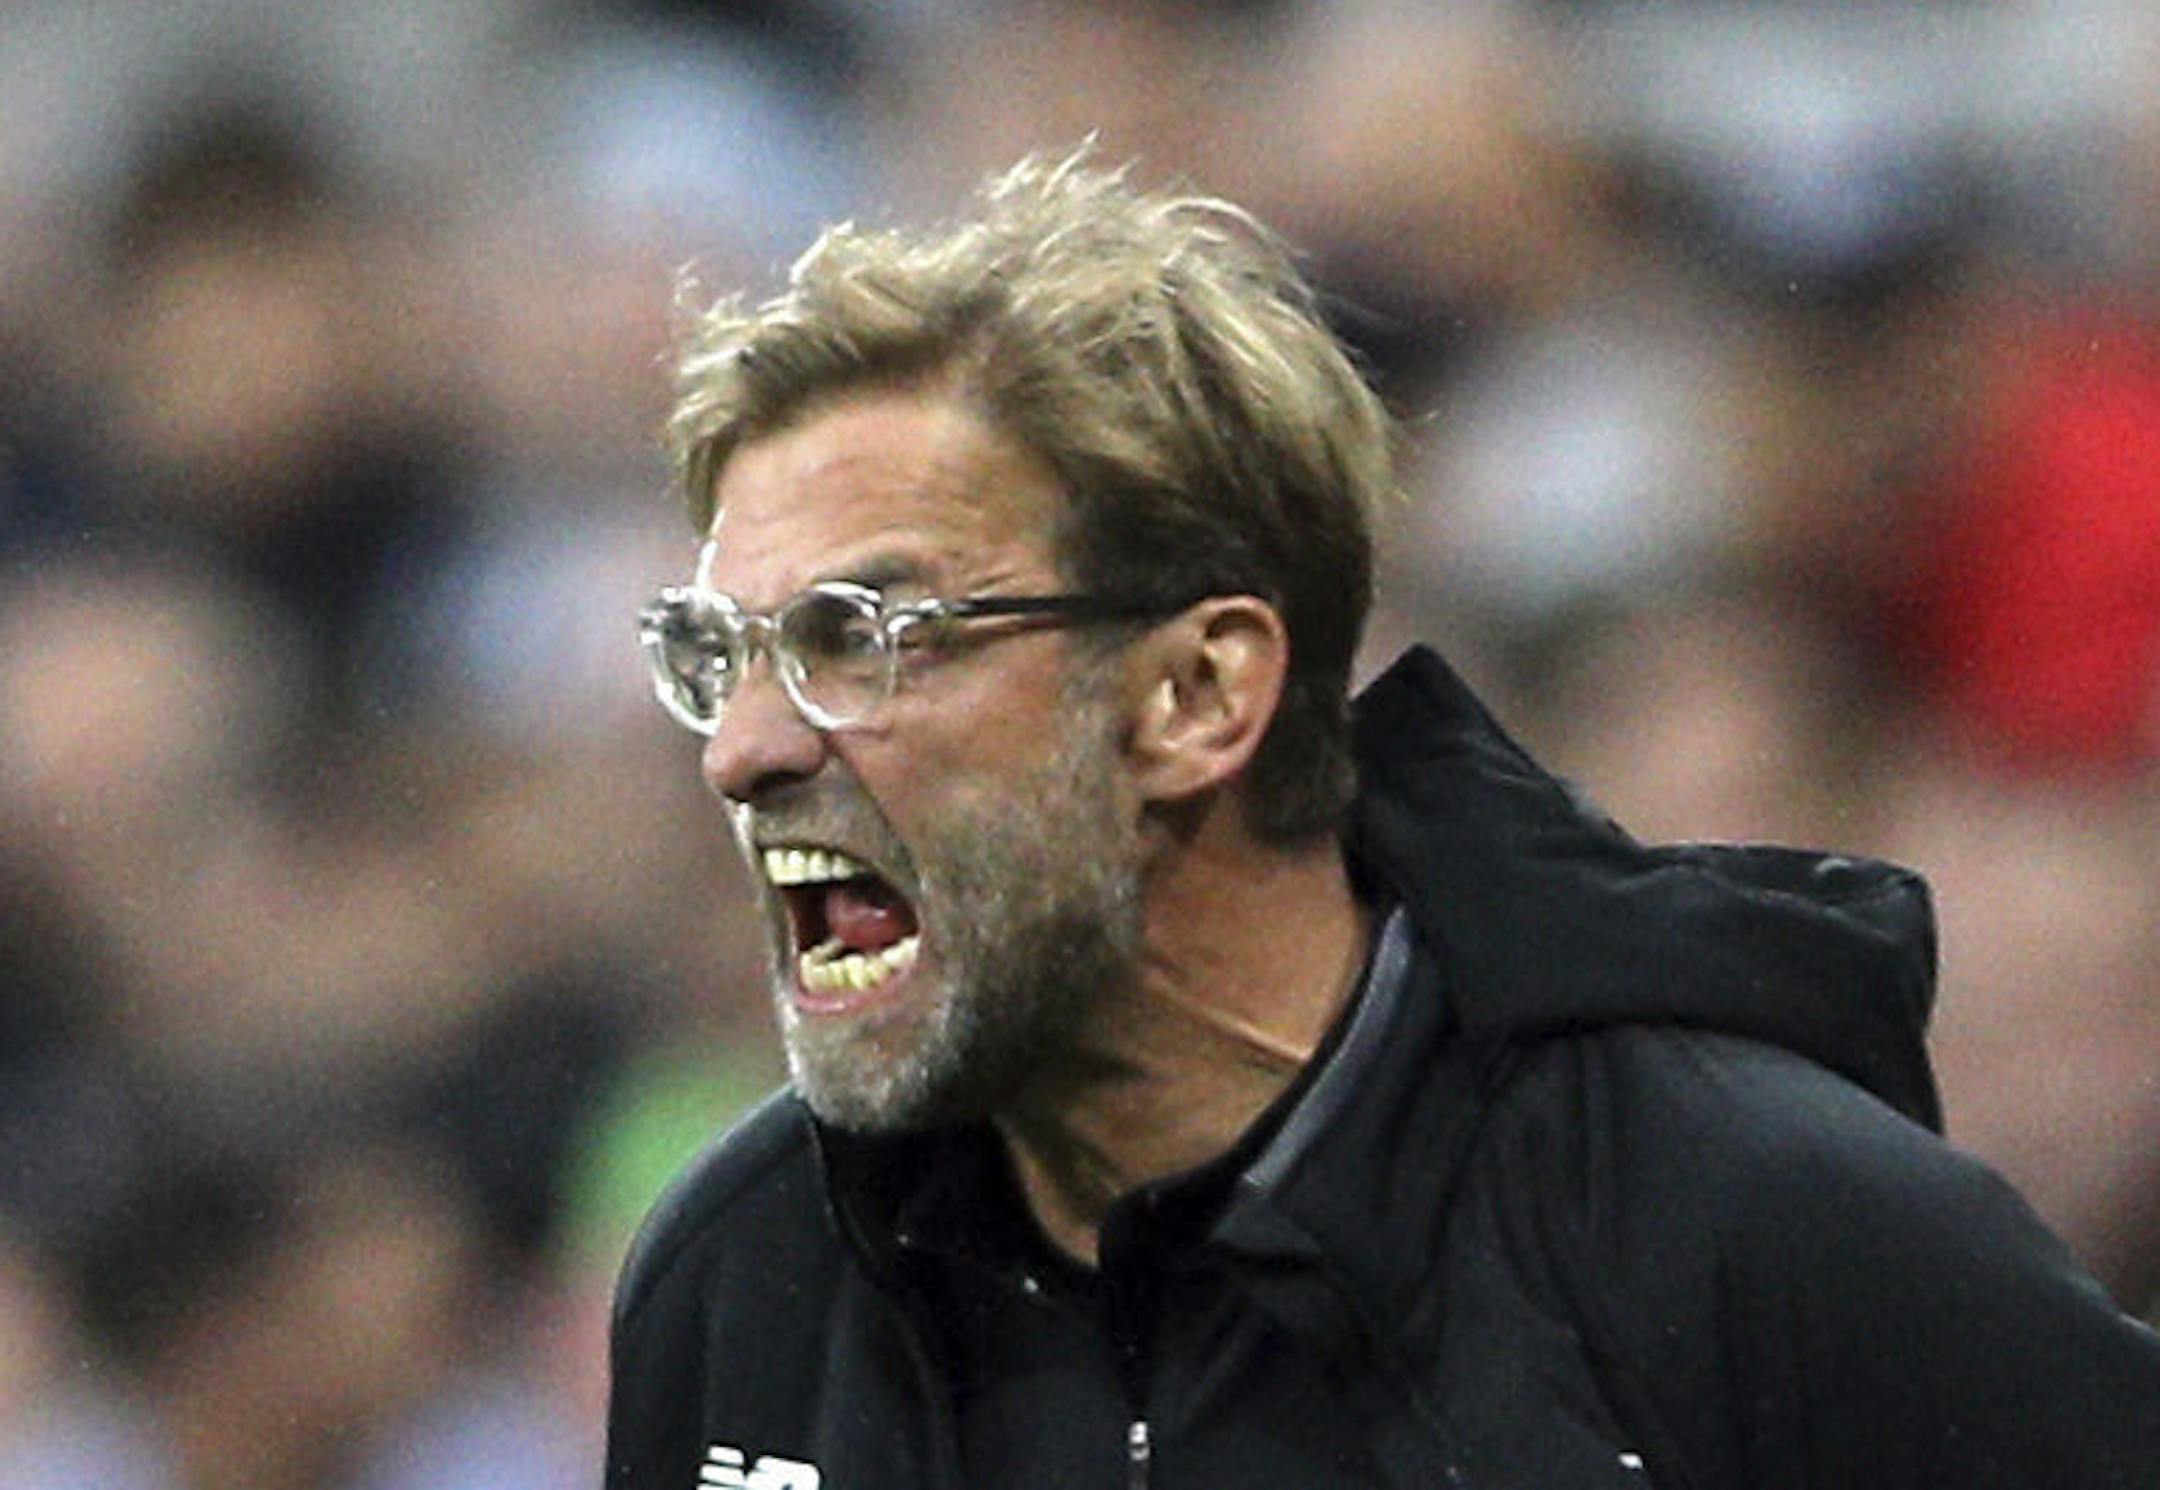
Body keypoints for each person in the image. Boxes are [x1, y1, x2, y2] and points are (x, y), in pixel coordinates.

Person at [606, 150, 2160, 1489]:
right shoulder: (741, 1280)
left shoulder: (1754, 1230)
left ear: (1199, 694)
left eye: (857, 636)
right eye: (717, 657)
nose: (741, 749)